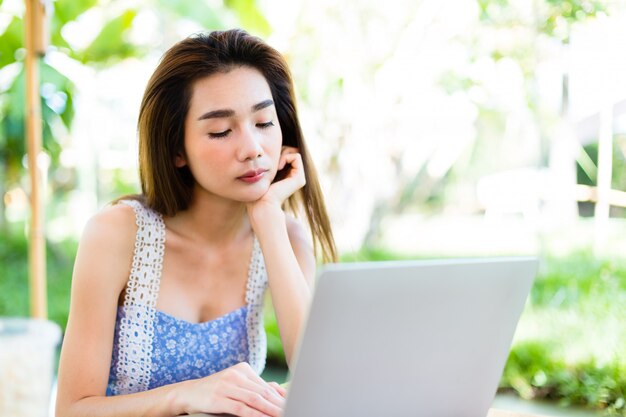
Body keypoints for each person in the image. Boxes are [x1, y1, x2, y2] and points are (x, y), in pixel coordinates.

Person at [55, 28, 337, 417]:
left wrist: (269, 219)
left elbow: (320, 382)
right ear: (176, 150)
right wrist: (187, 395)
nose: (253, 149)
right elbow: (72, 409)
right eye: (221, 130)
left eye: (264, 122)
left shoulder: (286, 237)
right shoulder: (116, 234)